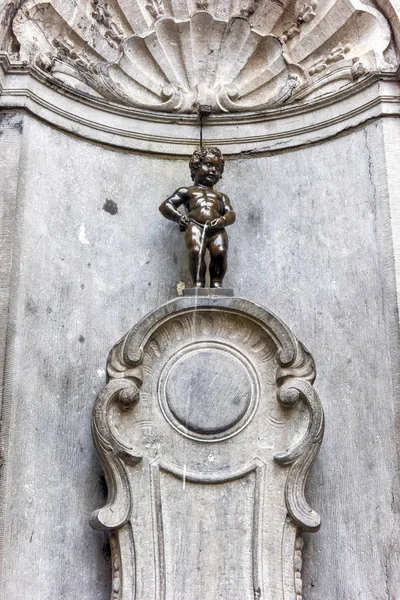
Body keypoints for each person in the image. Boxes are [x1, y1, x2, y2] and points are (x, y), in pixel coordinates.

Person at [159, 147, 236, 288]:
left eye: (217, 168)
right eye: (208, 165)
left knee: (220, 252)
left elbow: (231, 213)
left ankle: (217, 283)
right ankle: (198, 282)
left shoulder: (221, 196)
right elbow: (166, 206)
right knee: (196, 251)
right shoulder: (187, 191)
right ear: (195, 167)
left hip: (217, 229)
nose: (213, 170)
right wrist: (179, 217)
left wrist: (223, 220)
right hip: (195, 225)